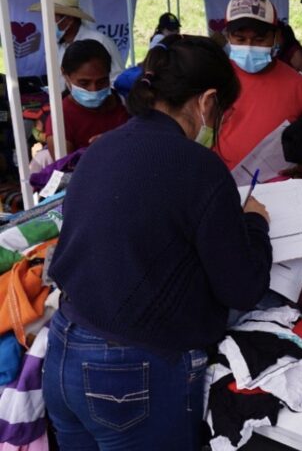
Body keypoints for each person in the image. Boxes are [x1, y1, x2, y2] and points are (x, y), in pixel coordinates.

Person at [43, 34, 273, 448]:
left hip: (64, 350)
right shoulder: (199, 168)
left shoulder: (103, 147)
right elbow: (242, 286)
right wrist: (255, 224)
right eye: (224, 111)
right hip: (131, 370)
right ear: (207, 102)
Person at [215, 0, 302, 171]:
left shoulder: (297, 84)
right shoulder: (213, 79)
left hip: (279, 189)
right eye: (240, 39)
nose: (249, 46)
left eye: (259, 39)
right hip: (223, 186)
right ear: (228, 37)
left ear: (275, 37)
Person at [45, 39, 129, 156]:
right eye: (84, 83)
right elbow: (67, 170)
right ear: (66, 75)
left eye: (102, 81)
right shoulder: (60, 121)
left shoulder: (126, 104)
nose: (94, 90)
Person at [29, 0, 124, 79]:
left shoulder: (99, 41)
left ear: (69, 19)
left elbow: (116, 78)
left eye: (52, 18)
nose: (47, 23)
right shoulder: (59, 46)